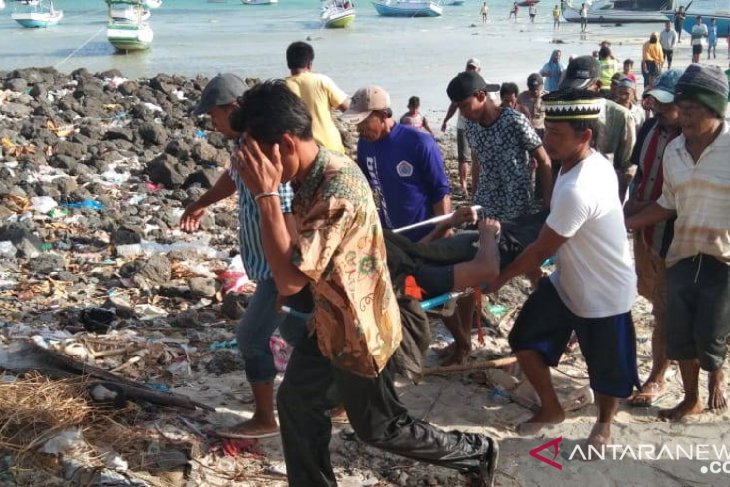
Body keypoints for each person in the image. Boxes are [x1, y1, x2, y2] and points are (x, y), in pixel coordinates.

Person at [229, 79, 500, 487]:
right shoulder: (309, 173)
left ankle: (477, 451)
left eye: (252, 154)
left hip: (360, 332)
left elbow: (286, 279)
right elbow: (292, 255)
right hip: (327, 323)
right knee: (298, 404)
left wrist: (266, 196)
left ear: (285, 144)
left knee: (381, 427)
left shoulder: (336, 192)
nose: (244, 166)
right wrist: (272, 194)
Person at [489, 89, 639, 448]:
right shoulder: (580, 164)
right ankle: (551, 408)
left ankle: (603, 426)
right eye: (546, 131)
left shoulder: (580, 186)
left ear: (584, 135)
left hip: (604, 292)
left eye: (556, 134)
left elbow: (541, 247)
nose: (546, 141)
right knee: (524, 340)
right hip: (567, 281)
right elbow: (550, 238)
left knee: (606, 370)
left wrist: (501, 279)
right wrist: (535, 274)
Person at [180, 74, 304, 439]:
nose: (213, 124)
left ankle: (266, 419)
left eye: (214, 115)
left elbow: (286, 211)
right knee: (302, 331)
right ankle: (343, 396)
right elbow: (233, 178)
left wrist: (289, 278)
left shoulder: (265, 147)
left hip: (277, 267)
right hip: (268, 266)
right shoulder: (245, 147)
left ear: (233, 108)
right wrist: (201, 203)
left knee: (251, 338)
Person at [626, 64, 730, 421]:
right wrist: (623, 222)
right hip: (682, 253)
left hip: (723, 258)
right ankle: (691, 398)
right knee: (680, 332)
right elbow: (667, 202)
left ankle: (716, 376)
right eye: (681, 111)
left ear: (714, 110)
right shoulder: (674, 151)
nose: (682, 119)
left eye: (690, 111)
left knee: (711, 333)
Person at [623, 69, 683, 407]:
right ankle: (670, 352)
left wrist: (635, 211)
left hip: (672, 234)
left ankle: (659, 374)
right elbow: (639, 173)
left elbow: (676, 200)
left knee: (663, 307)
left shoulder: (692, 140)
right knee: (647, 290)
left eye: (666, 104)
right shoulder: (649, 127)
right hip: (644, 230)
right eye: (656, 102)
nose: (658, 110)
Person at [446, 70, 553, 220]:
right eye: (458, 108)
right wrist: (474, 200)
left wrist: (548, 205)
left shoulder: (514, 121)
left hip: (515, 204)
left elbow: (543, 160)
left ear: (481, 96)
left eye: (464, 106)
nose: (463, 114)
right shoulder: (471, 126)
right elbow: (477, 161)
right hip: (485, 204)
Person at [560, 56, 636, 200]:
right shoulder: (564, 112)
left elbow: (628, 168)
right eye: (571, 89)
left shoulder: (620, 116)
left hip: (604, 197)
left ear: (598, 86)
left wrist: (618, 206)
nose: (577, 95)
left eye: (582, 89)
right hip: (569, 194)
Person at [285, 41, 350, 153]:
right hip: (330, 146)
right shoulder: (321, 81)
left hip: (301, 151)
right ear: (309, 64)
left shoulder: (281, 87)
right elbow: (348, 108)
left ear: (288, 63)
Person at [442, 58, 493, 195]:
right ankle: (464, 185)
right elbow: (453, 104)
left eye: (474, 68)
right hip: (463, 126)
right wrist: (446, 120)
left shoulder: (486, 85)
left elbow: (494, 104)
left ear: (479, 70)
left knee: (480, 156)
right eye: (469, 67)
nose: (471, 70)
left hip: (483, 125)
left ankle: (481, 185)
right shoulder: (460, 85)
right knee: (464, 157)